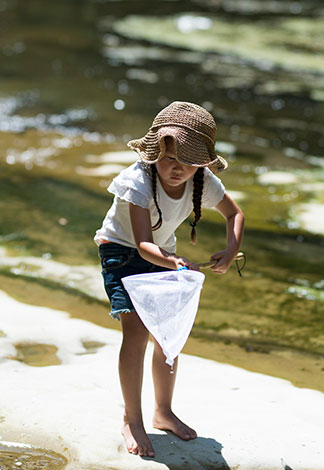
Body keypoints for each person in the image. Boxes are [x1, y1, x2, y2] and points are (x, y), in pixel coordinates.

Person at [94, 101, 245, 457]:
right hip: (122, 252)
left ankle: (163, 412)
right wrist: (176, 261)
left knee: (168, 335)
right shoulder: (137, 181)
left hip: (163, 254)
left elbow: (234, 214)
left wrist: (230, 249)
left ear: (202, 163)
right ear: (154, 151)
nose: (177, 169)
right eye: (169, 159)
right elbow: (144, 244)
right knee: (137, 333)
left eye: (188, 162)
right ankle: (133, 418)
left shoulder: (202, 181)